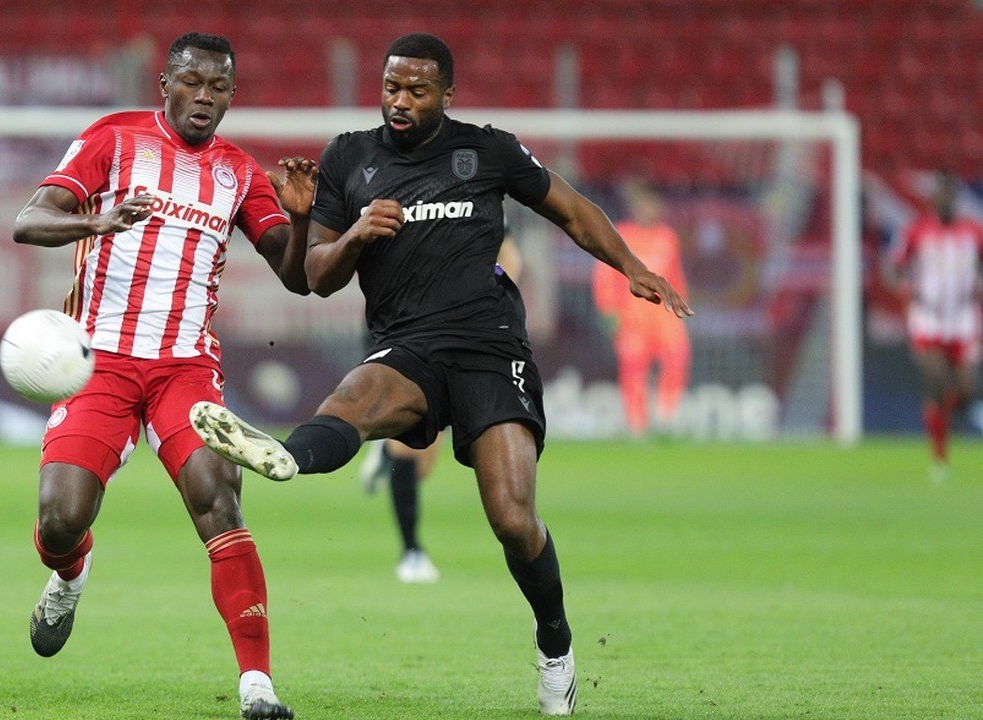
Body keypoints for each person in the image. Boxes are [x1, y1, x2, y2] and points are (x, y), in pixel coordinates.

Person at [190, 32, 691, 716]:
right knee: (352, 399)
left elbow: (573, 211)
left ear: (446, 94)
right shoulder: (349, 157)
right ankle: (283, 455)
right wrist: (354, 232)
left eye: (417, 91)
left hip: (490, 348)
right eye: (391, 87)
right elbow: (315, 277)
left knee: (513, 520)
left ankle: (554, 641)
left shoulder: (487, 151)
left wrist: (631, 266)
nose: (400, 101)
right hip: (408, 346)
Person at [11, 32, 314, 720]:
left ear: (232, 96)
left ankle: (257, 685)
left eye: (218, 87)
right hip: (100, 363)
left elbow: (296, 276)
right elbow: (30, 221)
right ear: (165, 84)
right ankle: (70, 573)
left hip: (185, 369)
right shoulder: (114, 138)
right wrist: (98, 221)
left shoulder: (240, 172)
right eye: (192, 82)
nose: (204, 97)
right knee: (59, 521)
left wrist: (299, 221)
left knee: (220, 501)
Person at [359, 234, 524, 584]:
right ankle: (411, 552)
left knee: (421, 463)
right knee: (409, 444)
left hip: (455, 330)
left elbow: (509, 253)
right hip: (399, 327)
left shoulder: (477, 201)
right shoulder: (386, 202)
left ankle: (385, 452)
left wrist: (492, 302)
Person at [882, 170, 983, 480]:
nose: (946, 200)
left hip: (963, 317)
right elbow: (893, 267)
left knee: (967, 391)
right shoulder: (917, 231)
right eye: (941, 195)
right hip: (928, 316)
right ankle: (940, 458)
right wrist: (904, 289)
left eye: (950, 195)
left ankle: (947, 414)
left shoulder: (973, 232)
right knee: (936, 381)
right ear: (934, 199)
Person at [592, 178, 691, 437]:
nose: (650, 209)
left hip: (664, 316)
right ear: (635, 206)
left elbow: (676, 277)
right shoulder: (622, 235)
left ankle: (667, 416)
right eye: (645, 203)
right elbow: (605, 275)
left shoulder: (667, 237)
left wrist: (680, 303)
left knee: (677, 357)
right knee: (633, 368)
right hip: (632, 316)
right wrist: (609, 310)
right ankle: (636, 425)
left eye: (655, 204)